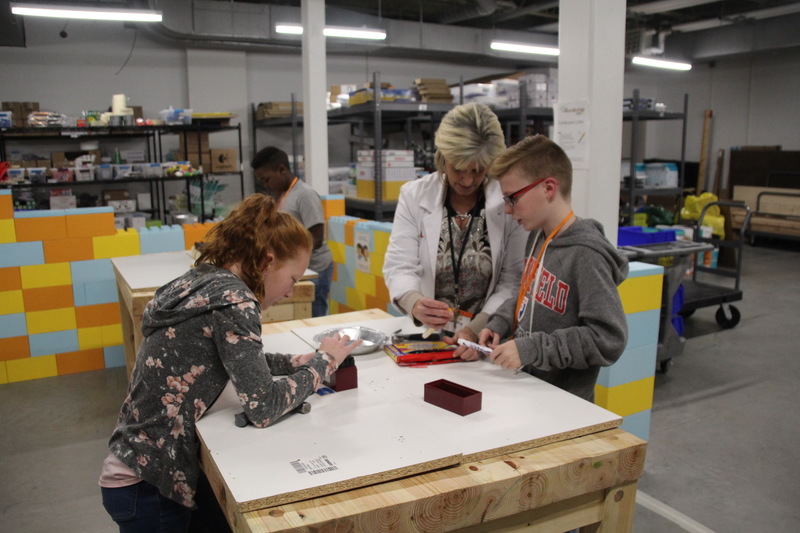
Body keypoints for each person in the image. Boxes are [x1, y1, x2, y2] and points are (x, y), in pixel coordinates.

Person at [99, 194, 361, 533]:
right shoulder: (236, 300)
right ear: (268, 261)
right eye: (293, 279)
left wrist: (296, 361)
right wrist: (324, 362)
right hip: (151, 485)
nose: (291, 291)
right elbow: (263, 406)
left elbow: (234, 358)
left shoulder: (204, 281)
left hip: (132, 464)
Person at [478, 135, 629, 402]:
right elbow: (528, 295)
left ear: (548, 188)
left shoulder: (586, 254)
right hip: (528, 391)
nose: (508, 210)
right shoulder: (537, 237)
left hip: (564, 404)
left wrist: (531, 348)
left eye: (513, 198)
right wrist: (501, 321)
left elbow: (608, 338)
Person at [382, 103, 528, 358]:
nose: (468, 180)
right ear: (442, 157)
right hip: (429, 338)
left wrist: (477, 328)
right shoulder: (414, 195)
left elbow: (512, 280)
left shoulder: (507, 201)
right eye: (458, 168)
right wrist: (415, 303)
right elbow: (399, 266)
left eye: (478, 170)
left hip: (486, 340)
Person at [252, 147, 334, 317]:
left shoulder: (305, 194)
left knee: (314, 316)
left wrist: (285, 254)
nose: (266, 185)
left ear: (281, 169)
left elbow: (316, 238)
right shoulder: (281, 195)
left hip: (316, 268)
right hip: (296, 267)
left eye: (267, 179)